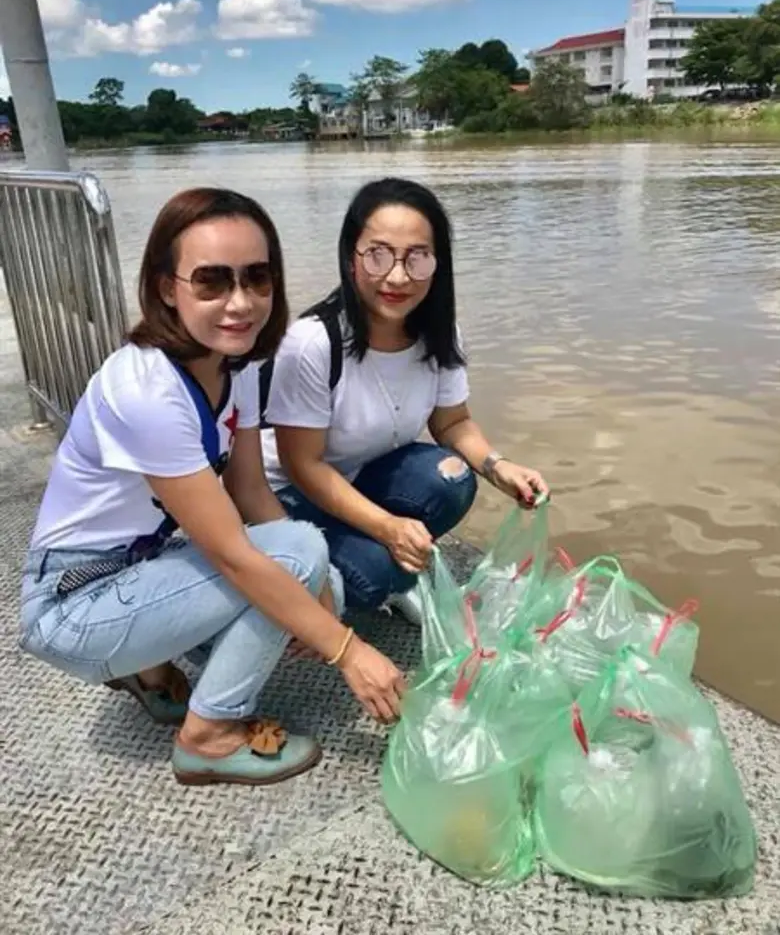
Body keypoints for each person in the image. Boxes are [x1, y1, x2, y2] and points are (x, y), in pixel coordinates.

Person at [19, 187, 406, 788]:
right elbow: (233, 552)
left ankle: (148, 669)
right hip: (73, 603)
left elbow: (251, 492)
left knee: (311, 567)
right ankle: (208, 736)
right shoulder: (148, 391)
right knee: (296, 563)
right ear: (167, 288)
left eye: (257, 278)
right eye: (211, 282)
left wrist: (316, 596)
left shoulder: (237, 366)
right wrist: (347, 650)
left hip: (138, 566)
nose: (240, 303)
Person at [261, 177, 549, 625]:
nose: (397, 277)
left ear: (438, 264)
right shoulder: (312, 343)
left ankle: (389, 563)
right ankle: (368, 573)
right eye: (377, 255)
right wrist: (387, 528)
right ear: (350, 259)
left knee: (453, 479)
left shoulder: (440, 334)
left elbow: (452, 423)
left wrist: (498, 466)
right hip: (286, 492)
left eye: (417, 258)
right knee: (374, 573)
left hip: (357, 475)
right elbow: (303, 465)